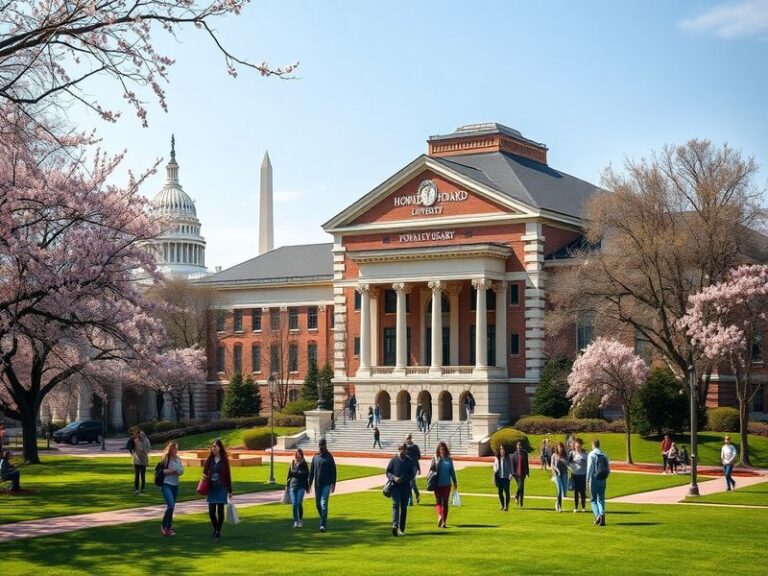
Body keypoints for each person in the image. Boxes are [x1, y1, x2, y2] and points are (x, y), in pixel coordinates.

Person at [204, 438, 233, 539]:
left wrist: (230, 490)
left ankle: (218, 531)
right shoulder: (209, 460)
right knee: (211, 511)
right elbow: (204, 472)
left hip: (222, 488)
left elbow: (228, 475)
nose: (213, 448)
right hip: (212, 488)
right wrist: (205, 476)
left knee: (220, 510)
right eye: (212, 447)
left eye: (215, 446)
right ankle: (216, 528)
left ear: (220, 448)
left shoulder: (224, 460)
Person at [386, 443, 415, 536]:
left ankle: (402, 529)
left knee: (403, 507)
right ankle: (395, 526)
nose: (404, 451)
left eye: (405, 450)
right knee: (395, 504)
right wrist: (394, 478)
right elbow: (388, 472)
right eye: (402, 449)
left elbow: (412, 474)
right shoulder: (394, 460)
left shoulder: (409, 461)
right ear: (399, 450)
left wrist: (404, 479)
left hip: (405, 487)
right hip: (395, 487)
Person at [308, 438, 337, 532]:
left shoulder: (329, 457)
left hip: (326, 484)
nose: (321, 448)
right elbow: (312, 471)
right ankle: (323, 518)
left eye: (323, 446)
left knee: (323, 503)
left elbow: (333, 471)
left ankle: (322, 525)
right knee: (317, 505)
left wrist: (333, 483)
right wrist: (309, 483)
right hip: (317, 485)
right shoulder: (316, 457)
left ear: (325, 446)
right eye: (320, 446)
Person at [429, 441, 457, 528]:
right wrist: (436, 462)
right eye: (440, 450)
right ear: (438, 450)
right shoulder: (435, 459)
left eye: (443, 449)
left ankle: (444, 522)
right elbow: (431, 469)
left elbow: (452, 471)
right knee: (438, 502)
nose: (442, 451)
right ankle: (440, 516)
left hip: (447, 484)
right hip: (437, 484)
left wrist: (455, 482)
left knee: (445, 503)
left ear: (445, 450)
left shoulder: (449, 460)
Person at [159, 441, 184, 536]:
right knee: (171, 505)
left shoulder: (178, 459)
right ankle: (164, 526)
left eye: (177, 448)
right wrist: (170, 471)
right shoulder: (166, 459)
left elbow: (181, 470)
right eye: (174, 448)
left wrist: (179, 472)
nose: (175, 450)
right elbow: (160, 471)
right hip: (166, 484)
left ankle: (168, 527)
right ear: (170, 449)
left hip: (175, 485)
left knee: (172, 507)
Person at [586, 438, 609, 527]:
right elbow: (608, 469)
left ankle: (598, 516)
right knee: (601, 498)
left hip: (594, 478)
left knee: (593, 499)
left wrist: (587, 480)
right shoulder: (604, 455)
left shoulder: (591, 454)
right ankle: (602, 514)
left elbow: (589, 468)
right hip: (603, 478)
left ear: (593, 444)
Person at [286, 448, 309, 528]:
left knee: (299, 503)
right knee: (294, 504)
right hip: (293, 485)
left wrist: (307, 486)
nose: (298, 456)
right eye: (297, 454)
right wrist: (287, 485)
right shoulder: (292, 463)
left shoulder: (304, 464)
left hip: (301, 485)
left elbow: (306, 475)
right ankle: (296, 521)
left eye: (299, 455)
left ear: (302, 455)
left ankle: (300, 520)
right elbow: (289, 474)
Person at [568, 438, 588, 512]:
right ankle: (576, 507)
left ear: (581, 446)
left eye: (579, 446)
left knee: (582, 491)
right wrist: (571, 468)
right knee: (575, 491)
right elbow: (568, 463)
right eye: (576, 446)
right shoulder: (572, 453)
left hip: (583, 475)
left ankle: (583, 507)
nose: (577, 447)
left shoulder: (585, 454)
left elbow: (589, 464)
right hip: (574, 475)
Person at [130, 428, 152, 495]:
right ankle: (136, 488)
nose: (137, 436)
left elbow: (149, 449)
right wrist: (132, 451)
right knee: (137, 475)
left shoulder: (146, 441)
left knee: (142, 475)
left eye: (138, 434)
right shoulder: (135, 441)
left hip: (143, 459)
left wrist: (144, 451)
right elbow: (132, 448)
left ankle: (143, 487)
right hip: (137, 459)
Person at [493, 444, 512, 511]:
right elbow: (494, 466)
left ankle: (506, 506)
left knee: (507, 492)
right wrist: (495, 470)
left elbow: (511, 467)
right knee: (500, 492)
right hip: (499, 477)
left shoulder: (508, 458)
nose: (502, 451)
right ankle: (502, 504)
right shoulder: (497, 458)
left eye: (503, 449)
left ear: (505, 450)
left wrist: (511, 474)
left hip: (506, 477)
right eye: (501, 449)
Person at [551, 442, 569, 512]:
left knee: (564, 492)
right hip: (557, 475)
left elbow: (568, 464)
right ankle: (559, 507)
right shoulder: (554, 455)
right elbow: (552, 465)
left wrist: (564, 461)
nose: (560, 449)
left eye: (561, 447)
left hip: (564, 474)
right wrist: (555, 470)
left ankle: (557, 503)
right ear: (557, 448)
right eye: (558, 447)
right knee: (560, 490)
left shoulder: (565, 455)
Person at [511, 441, 529, 508]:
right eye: (517, 446)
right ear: (516, 447)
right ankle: (518, 498)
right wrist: (512, 474)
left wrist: (527, 473)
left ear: (521, 447)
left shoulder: (524, 454)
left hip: (522, 473)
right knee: (520, 487)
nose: (518, 447)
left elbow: (527, 464)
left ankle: (520, 501)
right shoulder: (514, 455)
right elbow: (512, 466)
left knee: (521, 487)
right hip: (516, 474)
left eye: (519, 446)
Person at [404, 433, 421, 505]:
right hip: (406, 467)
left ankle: (410, 500)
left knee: (411, 483)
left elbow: (418, 457)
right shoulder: (404, 447)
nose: (408, 439)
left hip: (413, 467)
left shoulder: (415, 447)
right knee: (412, 483)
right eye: (407, 438)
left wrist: (419, 468)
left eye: (409, 438)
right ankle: (416, 494)